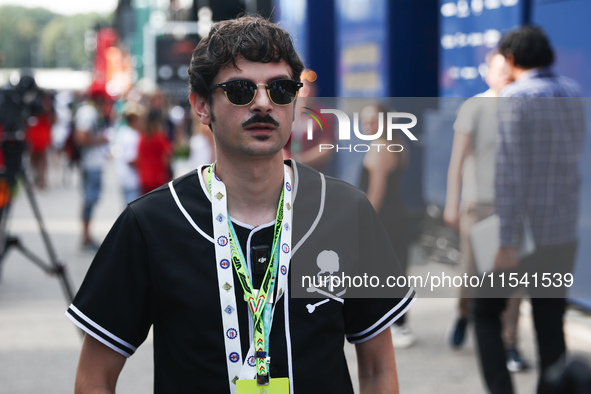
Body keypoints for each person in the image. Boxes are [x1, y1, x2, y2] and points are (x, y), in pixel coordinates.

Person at [66, 15, 414, 393]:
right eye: (240, 90)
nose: (263, 103)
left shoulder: (347, 211)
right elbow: (94, 378)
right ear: (201, 106)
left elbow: (379, 369)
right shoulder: (150, 224)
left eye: (281, 89)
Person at [472, 26, 585, 394]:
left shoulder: (514, 97)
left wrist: (506, 241)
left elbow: (510, 175)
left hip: (522, 238)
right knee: (550, 323)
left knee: (485, 314)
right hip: (563, 232)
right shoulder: (573, 92)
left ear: (512, 58)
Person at [443, 51, 529, 371]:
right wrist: (453, 202)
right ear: (488, 73)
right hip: (478, 206)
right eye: (499, 70)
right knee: (474, 274)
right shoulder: (474, 107)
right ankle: (464, 314)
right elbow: (457, 161)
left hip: (515, 208)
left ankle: (510, 343)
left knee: (513, 279)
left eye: (511, 70)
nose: (505, 75)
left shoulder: (524, 108)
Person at [358, 103, 415, 348]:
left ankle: (397, 325)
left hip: (383, 220)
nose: (367, 125)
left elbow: (376, 192)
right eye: (364, 120)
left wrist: (363, 223)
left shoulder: (380, 148)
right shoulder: (398, 144)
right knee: (395, 271)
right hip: (397, 216)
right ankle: (399, 323)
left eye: (372, 120)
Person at [74, 81, 111, 252]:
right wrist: (100, 140)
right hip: (90, 164)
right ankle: (85, 238)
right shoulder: (88, 113)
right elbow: (81, 138)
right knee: (89, 200)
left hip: (92, 163)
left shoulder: (88, 111)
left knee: (90, 200)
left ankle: (87, 237)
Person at [113, 101, 144, 205]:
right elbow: (132, 160)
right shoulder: (132, 136)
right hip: (132, 180)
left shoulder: (123, 132)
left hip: (125, 178)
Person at [137, 109, 172, 195]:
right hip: (158, 178)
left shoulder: (142, 137)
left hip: (144, 178)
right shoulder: (160, 138)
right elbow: (166, 159)